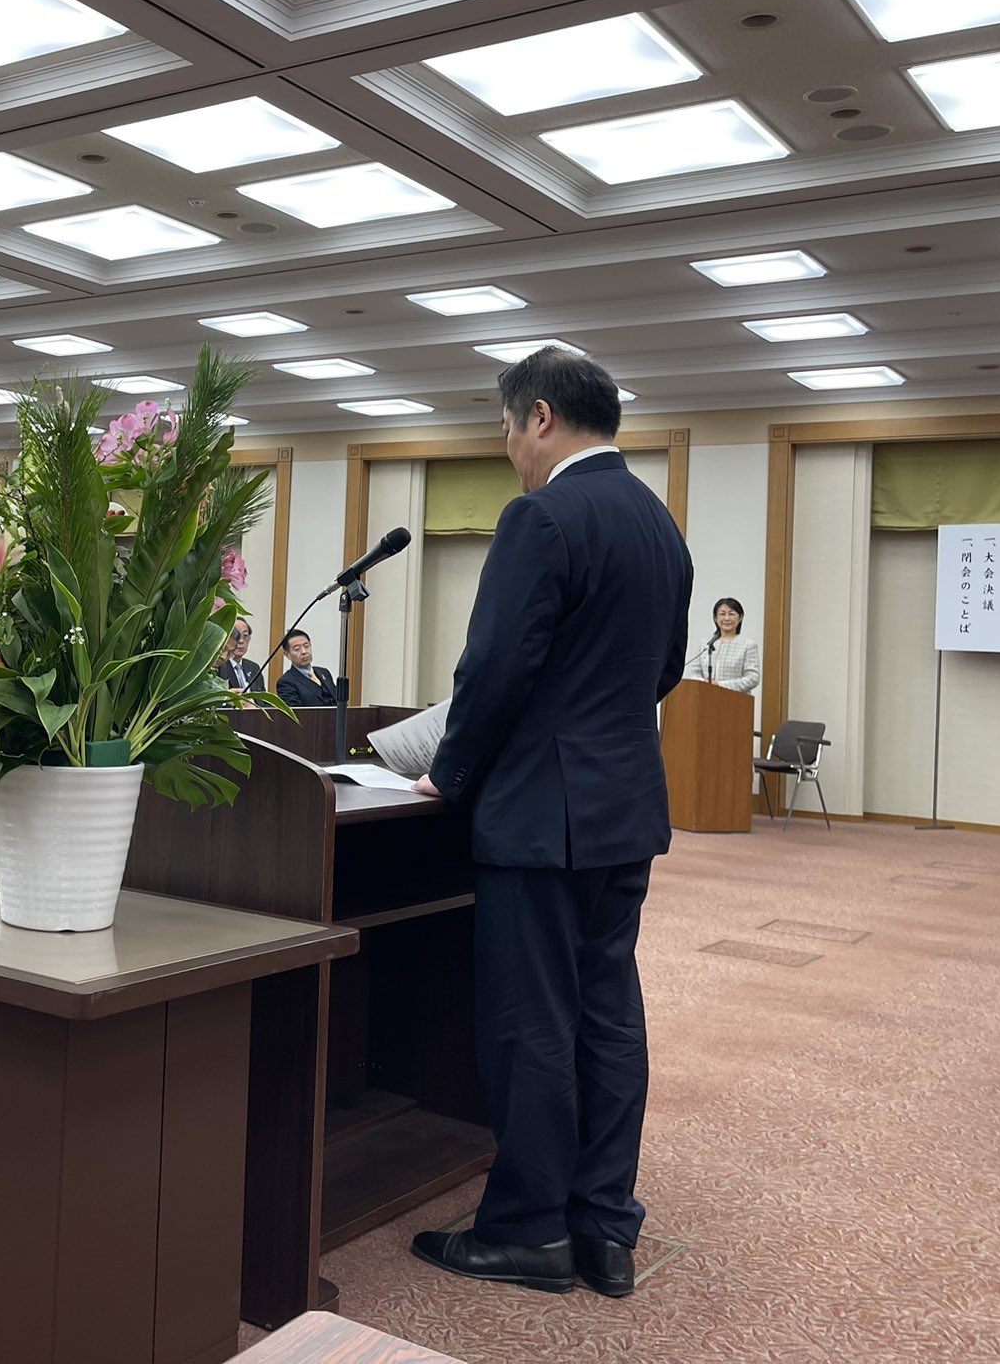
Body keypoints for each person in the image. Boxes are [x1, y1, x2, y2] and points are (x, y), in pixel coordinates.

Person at [408, 349, 692, 1301]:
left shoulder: (541, 516)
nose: (509, 452)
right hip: (625, 809)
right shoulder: (658, 521)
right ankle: (604, 1227)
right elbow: (664, 669)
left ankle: (530, 1230)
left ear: (539, 417)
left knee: (531, 1020)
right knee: (609, 1015)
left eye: (504, 431)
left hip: (539, 815)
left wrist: (449, 774)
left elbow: (494, 668)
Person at [686, 596, 758, 694]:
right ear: (715, 618)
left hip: (735, 699)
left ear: (740, 617)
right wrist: (705, 684)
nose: (727, 618)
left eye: (732, 614)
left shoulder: (748, 645)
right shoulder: (706, 644)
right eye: (722, 614)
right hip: (706, 697)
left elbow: (753, 678)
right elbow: (695, 673)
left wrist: (720, 685)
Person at [274, 629, 338, 708]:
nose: (304, 652)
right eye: (297, 649)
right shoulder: (286, 682)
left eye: (306, 646)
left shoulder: (324, 673)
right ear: (287, 654)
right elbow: (295, 712)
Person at [217, 619, 263, 692]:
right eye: (236, 635)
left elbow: (262, 697)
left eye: (245, 635)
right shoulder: (219, 665)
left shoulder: (254, 667)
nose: (241, 641)